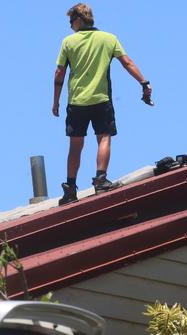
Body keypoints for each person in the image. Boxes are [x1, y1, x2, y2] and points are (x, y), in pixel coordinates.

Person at [53, 3, 152, 205]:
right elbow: (127, 62)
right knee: (104, 137)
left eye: (71, 21)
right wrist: (143, 82)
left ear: (78, 20)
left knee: (75, 144)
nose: (70, 25)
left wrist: (55, 101)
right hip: (101, 99)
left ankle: (70, 189)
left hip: (77, 101)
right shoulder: (109, 39)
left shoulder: (68, 42)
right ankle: (100, 181)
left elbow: (59, 73)